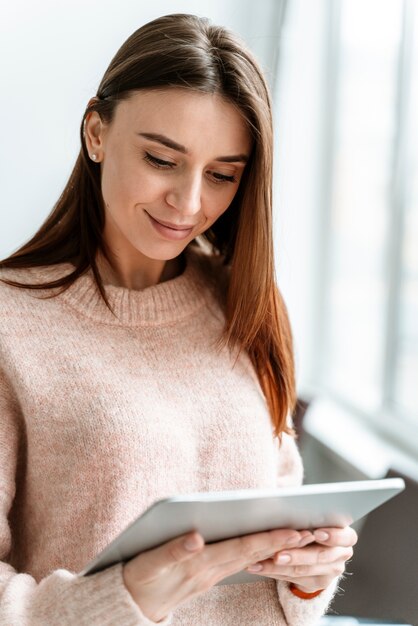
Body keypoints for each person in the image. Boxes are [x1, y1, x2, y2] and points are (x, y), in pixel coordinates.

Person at [0, 13, 356, 626]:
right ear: (96, 133)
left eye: (222, 176)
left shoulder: (246, 302)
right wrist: (122, 598)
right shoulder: (13, 325)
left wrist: (308, 578)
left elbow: (273, 541)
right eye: (163, 160)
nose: (190, 203)